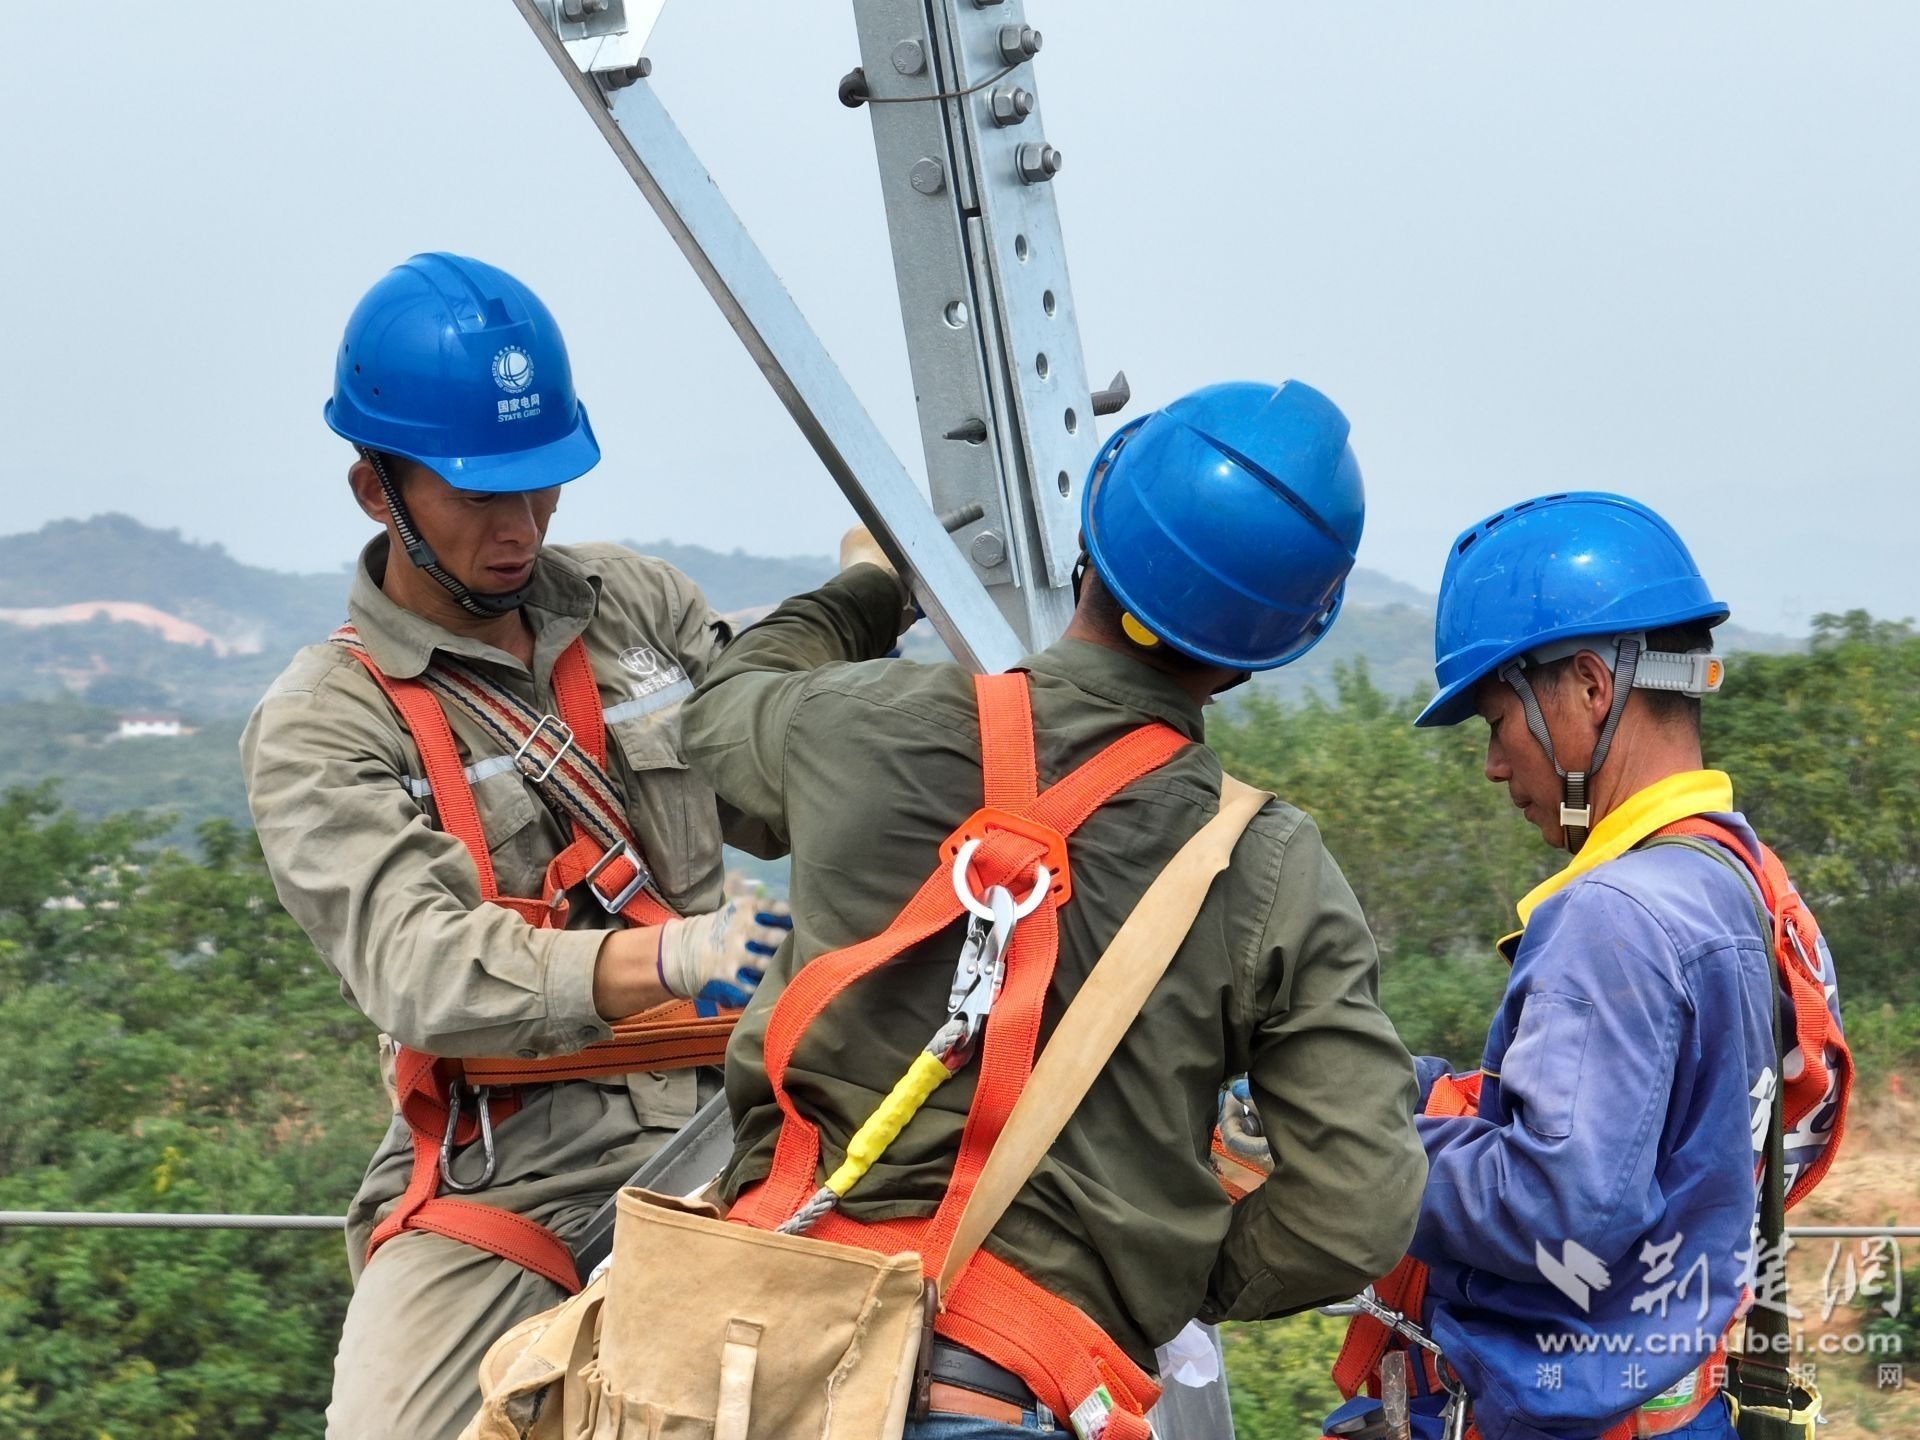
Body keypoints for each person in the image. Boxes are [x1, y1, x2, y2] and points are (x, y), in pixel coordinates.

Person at [681, 380, 1427, 1439]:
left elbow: (718, 722)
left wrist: (874, 585)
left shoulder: (853, 727)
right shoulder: (1268, 868)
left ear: (1095, 539)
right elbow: (1356, 1202)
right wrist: (1156, 1265)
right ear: (1265, 649)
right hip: (1015, 1384)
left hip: (754, 1364)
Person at [240, 252, 788, 1440]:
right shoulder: (329, 720)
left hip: (754, 1108)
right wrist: (672, 959)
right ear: (375, 490)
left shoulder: (633, 607)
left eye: (541, 486)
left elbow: (773, 747)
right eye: (480, 493)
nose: (522, 525)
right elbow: (421, 967)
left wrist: (853, 634)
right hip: (518, 1162)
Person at [1371, 492, 1849, 1440]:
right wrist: (1392, 1090)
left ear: (1590, 687)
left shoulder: (1613, 918)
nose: (1494, 766)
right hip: (1679, 1400)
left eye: (1496, 721)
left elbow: (1556, 1207)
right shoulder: (1740, 880)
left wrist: (1341, 1147)